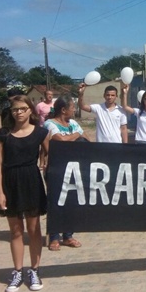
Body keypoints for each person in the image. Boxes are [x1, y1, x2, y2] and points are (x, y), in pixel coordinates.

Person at [0, 95, 49, 292]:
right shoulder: (3, 134)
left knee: (34, 229)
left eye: (23, 108)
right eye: (15, 109)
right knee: (16, 230)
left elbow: (52, 157)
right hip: (10, 182)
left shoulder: (41, 133)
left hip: (31, 181)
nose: (19, 112)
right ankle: (17, 271)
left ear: (30, 110)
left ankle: (34, 269)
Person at [43, 94, 85, 251]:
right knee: (55, 202)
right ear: (63, 109)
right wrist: (77, 135)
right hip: (56, 168)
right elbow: (59, 140)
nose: (74, 110)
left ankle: (68, 235)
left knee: (71, 201)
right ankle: (54, 237)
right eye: (72, 107)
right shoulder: (49, 124)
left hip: (73, 169)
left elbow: (85, 138)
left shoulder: (73, 123)